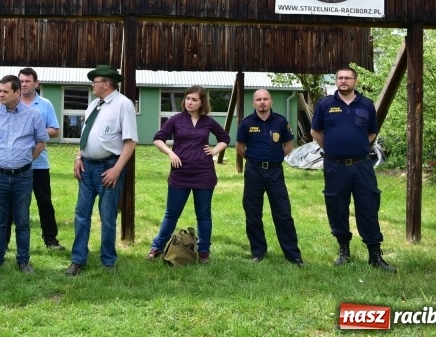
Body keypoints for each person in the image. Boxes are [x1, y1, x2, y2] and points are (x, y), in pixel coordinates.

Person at [311, 66, 396, 272]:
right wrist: (332, 149)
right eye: (340, 78)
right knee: (337, 208)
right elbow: (315, 131)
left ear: (355, 81)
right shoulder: (325, 104)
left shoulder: (366, 104)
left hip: (362, 165)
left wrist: (357, 148)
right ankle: (343, 251)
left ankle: (375, 255)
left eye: (348, 78)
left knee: (368, 207)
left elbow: (372, 133)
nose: (343, 81)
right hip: (335, 167)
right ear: (336, 81)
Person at [65, 65, 138, 276]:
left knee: (107, 216)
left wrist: (117, 169)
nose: (92, 85)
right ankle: (78, 260)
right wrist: (79, 156)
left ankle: (108, 261)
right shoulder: (94, 105)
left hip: (108, 168)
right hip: (87, 167)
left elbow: (130, 142)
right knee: (81, 214)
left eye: (95, 82)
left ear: (106, 83)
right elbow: (85, 134)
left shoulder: (123, 104)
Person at [147, 85, 230, 264]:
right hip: (180, 175)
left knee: (204, 215)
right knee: (171, 214)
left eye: (194, 99)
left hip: (204, 174)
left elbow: (225, 138)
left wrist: (214, 150)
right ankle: (156, 248)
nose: (189, 102)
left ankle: (204, 252)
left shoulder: (208, 122)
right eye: (187, 98)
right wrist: (170, 153)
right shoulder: (176, 120)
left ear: (202, 103)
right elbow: (158, 139)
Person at [0, 75, 49, 273]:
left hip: (23, 176)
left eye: (5, 92)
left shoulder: (33, 115)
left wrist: (26, 159)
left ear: (17, 92)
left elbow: (41, 142)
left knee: (22, 220)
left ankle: (23, 261)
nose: (0, 95)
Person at [236, 89, 303, 266]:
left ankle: (293, 255)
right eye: (259, 99)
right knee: (253, 213)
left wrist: (275, 158)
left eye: (265, 99)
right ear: (254, 103)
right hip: (254, 172)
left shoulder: (280, 121)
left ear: (271, 102)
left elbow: (288, 145)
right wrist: (254, 159)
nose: (262, 102)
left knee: (283, 213)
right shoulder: (247, 123)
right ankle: (258, 252)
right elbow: (240, 147)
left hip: (275, 172)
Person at [17, 68, 64, 249]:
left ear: (36, 83)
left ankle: (50, 239)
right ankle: (8, 243)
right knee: (16, 204)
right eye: (21, 81)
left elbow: (55, 130)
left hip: (39, 164)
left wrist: (36, 134)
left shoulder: (45, 104)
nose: (24, 84)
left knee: (44, 202)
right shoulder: (13, 103)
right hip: (16, 164)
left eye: (28, 81)